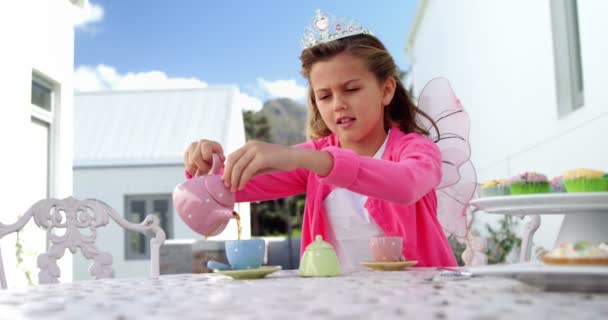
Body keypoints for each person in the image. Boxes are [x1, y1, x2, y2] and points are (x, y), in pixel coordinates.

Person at [183, 9, 458, 268]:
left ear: (386, 90)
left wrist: (307, 159)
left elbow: (406, 185)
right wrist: (206, 166)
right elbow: (231, 185)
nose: (337, 104)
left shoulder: (416, 150)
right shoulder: (314, 158)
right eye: (324, 96)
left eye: (351, 89)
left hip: (423, 304)